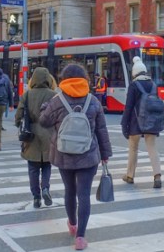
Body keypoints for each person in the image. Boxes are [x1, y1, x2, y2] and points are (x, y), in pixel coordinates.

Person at [40, 63, 112, 251]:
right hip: (88, 155)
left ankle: (72, 224)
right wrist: (105, 155)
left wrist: (44, 107)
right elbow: (102, 131)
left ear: (64, 79)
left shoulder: (57, 100)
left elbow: (44, 121)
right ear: (84, 79)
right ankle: (80, 237)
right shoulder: (93, 101)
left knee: (69, 191)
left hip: (63, 154)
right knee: (84, 194)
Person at [15, 67, 57, 208]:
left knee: (33, 168)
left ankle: (36, 197)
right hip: (49, 134)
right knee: (46, 165)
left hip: (30, 135)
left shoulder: (27, 95)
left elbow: (19, 115)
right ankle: (45, 188)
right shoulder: (53, 94)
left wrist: (18, 124)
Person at [121, 56, 163, 188]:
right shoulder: (153, 85)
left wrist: (124, 124)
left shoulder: (134, 86)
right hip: (151, 123)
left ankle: (130, 176)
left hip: (135, 123)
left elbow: (128, 107)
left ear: (134, 73)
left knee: (133, 148)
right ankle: (157, 176)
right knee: (152, 148)